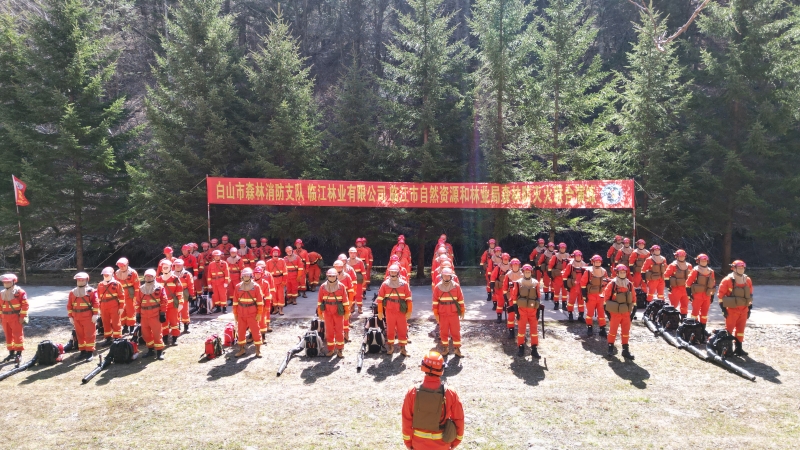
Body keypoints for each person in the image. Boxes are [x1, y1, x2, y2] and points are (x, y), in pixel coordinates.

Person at [401, 351, 465, 450]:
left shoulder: (412, 392)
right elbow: (459, 418)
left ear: (422, 367)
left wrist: (408, 442)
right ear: (442, 369)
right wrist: (456, 441)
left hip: (418, 445)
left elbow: (406, 419)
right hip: (442, 445)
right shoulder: (450, 392)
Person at [717, 260, 753, 356]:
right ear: (733, 268)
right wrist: (723, 309)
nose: (741, 269)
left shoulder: (747, 280)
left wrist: (749, 308)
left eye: (742, 268)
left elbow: (750, 295)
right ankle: (727, 348)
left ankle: (739, 348)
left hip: (744, 310)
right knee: (729, 329)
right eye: (739, 268)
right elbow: (720, 295)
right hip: (732, 310)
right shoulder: (727, 280)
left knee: (741, 330)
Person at [377, 264, 413, 356]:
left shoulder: (404, 284)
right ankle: (391, 346)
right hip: (389, 310)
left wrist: (409, 311)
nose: (393, 273)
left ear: (398, 273)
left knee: (402, 329)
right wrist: (380, 311)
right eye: (391, 272)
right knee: (390, 329)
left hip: (401, 310)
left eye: (394, 272)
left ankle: (403, 348)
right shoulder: (385, 284)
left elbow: (409, 298)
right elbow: (380, 299)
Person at [508, 264, 542, 358]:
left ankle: (534, 348)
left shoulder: (536, 283)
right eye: (526, 272)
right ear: (523, 272)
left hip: (533, 310)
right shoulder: (518, 283)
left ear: (531, 272)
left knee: (534, 330)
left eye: (529, 272)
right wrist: (516, 311)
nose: (527, 273)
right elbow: (514, 297)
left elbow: (538, 297)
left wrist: (538, 310)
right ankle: (521, 347)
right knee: (521, 330)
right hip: (522, 310)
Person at [603, 265, 635, 360]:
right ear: (617, 273)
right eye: (621, 272)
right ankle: (610, 348)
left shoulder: (629, 284)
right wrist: (607, 312)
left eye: (624, 272)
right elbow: (606, 298)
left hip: (626, 313)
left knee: (626, 332)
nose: (622, 274)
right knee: (612, 331)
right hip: (615, 313)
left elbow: (633, 298)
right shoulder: (612, 284)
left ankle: (625, 350)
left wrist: (633, 311)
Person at [135, 269, 168, 360]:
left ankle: (159, 352)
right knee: (146, 334)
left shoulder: (159, 287)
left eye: (150, 276)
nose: (148, 278)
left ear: (154, 277)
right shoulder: (141, 289)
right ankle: (150, 350)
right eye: (147, 276)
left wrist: (162, 313)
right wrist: (138, 314)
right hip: (144, 315)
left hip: (155, 315)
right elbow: (137, 302)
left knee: (157, 334)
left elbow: (164, 301)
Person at [432, 268, 465, 356]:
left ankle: (457, 349)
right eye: (444, 276)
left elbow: (460, 299)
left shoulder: (456, 286)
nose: (446, 277)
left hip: (453, 313)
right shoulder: (437, 287)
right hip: (442, 313)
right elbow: (435, 302)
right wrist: (436, 313)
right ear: (442, 276)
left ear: (451, 276)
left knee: (456, 331)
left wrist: (462, 310)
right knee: (443, 331)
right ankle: (445, 348)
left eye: (448, 276)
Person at [233, 268, 264, 358]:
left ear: (251, 276)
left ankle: (258, 350)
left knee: (255, 331)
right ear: (242, 276)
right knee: (241, 331)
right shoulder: (238, 287)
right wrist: (235, 314)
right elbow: (235, 302)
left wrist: (259, 313)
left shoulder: (256, 287)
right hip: (241, 313)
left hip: (252, 313)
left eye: (247, 275)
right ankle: (241, 349)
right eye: (244, 275)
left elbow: (260, 302)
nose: (246, 277)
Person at [67, 272, 98, 361]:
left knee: (89, 334)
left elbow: (96, 303)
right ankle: (82, 351)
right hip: (76, 317)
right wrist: (70, 316)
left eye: (82, 280)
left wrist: (95, 314)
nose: (80, 281)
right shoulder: (72, 292)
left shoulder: (91, 291)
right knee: (80, 335)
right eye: (78, 280)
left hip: (88, 316)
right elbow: (69, 305)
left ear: (86, 280)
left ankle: (89, 352)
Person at [317, 268, 349, 357]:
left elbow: (345, 301)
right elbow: (319, 301)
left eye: (333, 276)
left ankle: (340, 349)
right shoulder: (323, 287)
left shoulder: (341, 286)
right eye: (330, 276)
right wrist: (320, 312)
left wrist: (347, 312)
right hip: (327, 311)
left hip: (338, 311)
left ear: (336, 276)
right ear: (327, 276)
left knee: (339, 331)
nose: (331, 277)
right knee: (329, 331)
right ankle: (331, 349)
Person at [1, 273, 29, 362]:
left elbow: (25, 305)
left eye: (8, 282)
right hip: (5, 318)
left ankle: (19, 353)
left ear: (13, 282)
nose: (6, 284)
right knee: (8, 335)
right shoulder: (2, 293)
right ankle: (11, 353)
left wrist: (22, 317)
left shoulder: (20, 292)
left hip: (15, 317)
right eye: (4, 282)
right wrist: (1, 318)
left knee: (17, 335)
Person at [156, 259, 184, 346]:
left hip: (172, 305)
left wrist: (181, 303)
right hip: (162, 306)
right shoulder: (159, 279)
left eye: (166, 267)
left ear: (170, 267)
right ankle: (165, 338)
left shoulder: (175, 279)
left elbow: (179, 292)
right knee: (163, 322)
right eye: (163, 267)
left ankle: (174, 338)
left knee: (174, 322)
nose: (165, 269)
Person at [580, 255, 608, 337]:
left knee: (601, 313)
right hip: (591, 295)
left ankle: (602, 329)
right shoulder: (588, 271)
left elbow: (607, 282)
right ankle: (589, 327)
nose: (598, 263)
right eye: (596, 262)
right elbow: (583, 283)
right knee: (590, 313)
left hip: (601, 296)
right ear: (593, 262)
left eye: (599, 262)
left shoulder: (604, 271)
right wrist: (584, 295)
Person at [96, 267, 125, 345]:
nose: (106, 276)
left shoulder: (117, 284)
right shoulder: (100, 284)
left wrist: (121, 307)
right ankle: (108, 338)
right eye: (104, 274)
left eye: (107, 274)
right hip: (103, 306)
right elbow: (98, 298)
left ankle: (117, 338)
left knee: (116, 322)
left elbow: (121, 296)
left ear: (112, 274)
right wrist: (99, 308)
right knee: (105, 322)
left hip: (114, 306)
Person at [687, 254, 715, 329]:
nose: (704, 262)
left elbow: (713, 284)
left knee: (704, 314)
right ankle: (693, 328)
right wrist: (689, 294)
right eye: (702, 261)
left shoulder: (711, 271)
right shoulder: (695, 271)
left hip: (707, 296)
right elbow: (688, 283)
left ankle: (702, 329)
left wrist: (712, 295)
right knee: (695, 313)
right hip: (697, 296)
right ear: (698, 261)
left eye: (705, 261)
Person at [664, 249, 693, 320]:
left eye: (683, 256)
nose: (682, 257)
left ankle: (683, 318)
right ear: (676, 256)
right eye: (680, 256)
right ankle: (671, 319)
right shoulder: (673, 265)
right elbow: (666, 275)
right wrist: (668, 286)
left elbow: (692, 277)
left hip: (685, 289)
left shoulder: (689, 266)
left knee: (684, 305)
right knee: (674, 305)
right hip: (676, 289)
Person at [115, 257, 140, 334]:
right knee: (122, 311)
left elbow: (137, 286)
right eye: (120, 266)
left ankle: (132, 327)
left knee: (131, 311)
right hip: (121, 294)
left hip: (130, 294)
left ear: (127, 264)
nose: (122, 267)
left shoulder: (133, 273)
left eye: (123, 266)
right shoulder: (116, 273)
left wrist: (136, 297)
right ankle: (124, 327)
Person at [561, 250, 588, 322]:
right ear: (574, 257)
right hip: (573, 286)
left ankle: (581, 316)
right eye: (577, 256)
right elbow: (565, 275)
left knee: (581, 302)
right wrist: (566, 285)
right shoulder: (570, 265)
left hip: (582, 287)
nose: (578, 257)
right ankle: (570, 315)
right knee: (571, 302)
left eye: (579, 256)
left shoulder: (584, 265)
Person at [502, 258, 524, 339]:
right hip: (511, 299)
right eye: (514, 265)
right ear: (511, 266)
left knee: (521, 316)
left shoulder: (523, 275)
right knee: (511, 316)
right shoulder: (508, 275)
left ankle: (521, 332)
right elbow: (505, 286)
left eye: (517, 265)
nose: (515, 266)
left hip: (521, 299)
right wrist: (505, 296)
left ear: (519, 265)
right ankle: (511, 332)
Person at [173, 258, 195, 333]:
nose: (178, 266)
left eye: (179, 265)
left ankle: (186, 326)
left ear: (182, 265)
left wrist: (191, 295)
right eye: (176, 265)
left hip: (184, 293)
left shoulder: (187, 274)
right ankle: (177, 326)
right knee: (175, 311)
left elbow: (191, 285)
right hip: (174, 294)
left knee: (185, 311)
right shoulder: (171, 274)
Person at [489, 252, 511, 323]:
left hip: (509, 288)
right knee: (500, 303)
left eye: (507, 259)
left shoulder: (512, 267)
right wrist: (492, 285)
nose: (505, 261)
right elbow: (493, 277)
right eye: (504, 259)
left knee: (509, 303)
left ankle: (510, 318)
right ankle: (499, 317)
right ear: (502, 259)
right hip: (500, 288)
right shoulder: (498, 268)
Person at [253, 266, 275, 338]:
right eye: (256, 273)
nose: (257, 275)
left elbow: (267, 296)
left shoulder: (265, 283)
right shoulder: (251, 282)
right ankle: (252, 335)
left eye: (259, 274)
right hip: (252, 305)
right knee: (252, 320)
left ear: (261, 274)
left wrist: (267, 306)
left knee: (262, 321)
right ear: (254, 274)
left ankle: (263, 336)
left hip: (262, 304)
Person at [548, 243, 570, 311]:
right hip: (557, 277)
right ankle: (556, 304)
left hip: (565, 277)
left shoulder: (568, 256)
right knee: (556, 292)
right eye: (561, 248)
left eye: (563, 248)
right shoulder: (555, 256)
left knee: (565, 292)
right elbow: (550, 265)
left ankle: (564, 305)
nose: (562, 249)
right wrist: (550, 274)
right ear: (559, 248)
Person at [266, 247, 287, 315]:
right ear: (272, 253)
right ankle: (275, 309)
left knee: (281, 296)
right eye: (274, 252)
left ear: (278, 253)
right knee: (273, 296)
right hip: (272, 281)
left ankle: (281, 310)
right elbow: (267, 274)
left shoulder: (282, 261)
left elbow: (285, 272)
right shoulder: (268, 262)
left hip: (280, 280)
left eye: (276, 252)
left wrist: (284, 281)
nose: (275, 253)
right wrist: (268, 282)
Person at [347, 247, 367, 313]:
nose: (352, 254)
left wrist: (364, 280)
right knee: (351, 294)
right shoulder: (346, 261)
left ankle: (359, 307)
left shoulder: (360, 261)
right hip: (350, 281)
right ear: (349, 253)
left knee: (359, 294)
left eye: (354, 253)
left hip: (358, 280)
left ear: (356, 253)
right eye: (351, 253)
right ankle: (352, 307)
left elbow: (363, 272)